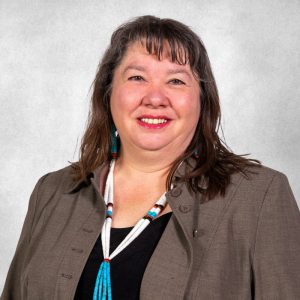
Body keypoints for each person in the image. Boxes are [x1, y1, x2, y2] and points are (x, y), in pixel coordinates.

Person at [1, 15, 300, 300]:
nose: (155, 98)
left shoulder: (259, 198)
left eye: (176, 81)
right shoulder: (52, 193)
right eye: (137, 77)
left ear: (202, 100)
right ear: (109, 93)